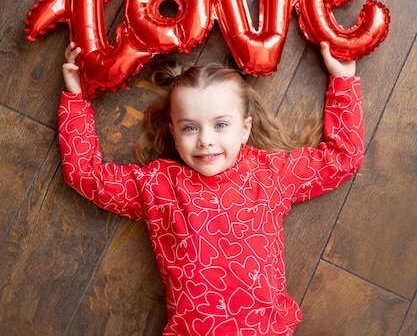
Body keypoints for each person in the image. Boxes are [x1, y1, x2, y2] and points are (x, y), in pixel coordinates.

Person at [59, 41, 364, 335]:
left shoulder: (270, 175)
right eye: (190, 127)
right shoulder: (158, 186)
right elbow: (86, 176)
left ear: (244, 129)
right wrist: (76, 99)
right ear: (173, 133)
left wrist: (344, 81)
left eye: (220, 125)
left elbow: (342, 160)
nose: (205, 139)